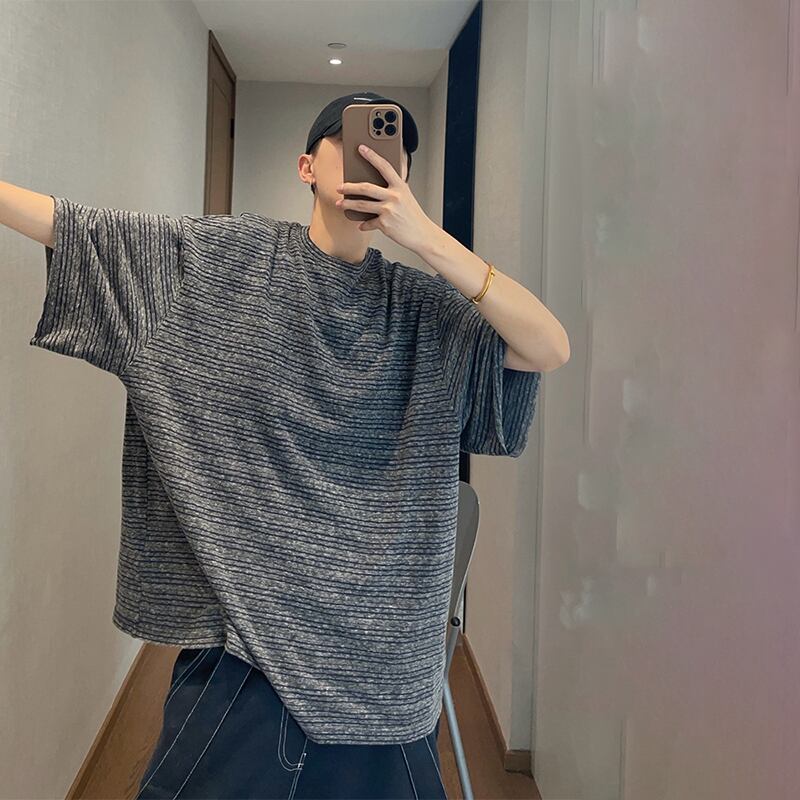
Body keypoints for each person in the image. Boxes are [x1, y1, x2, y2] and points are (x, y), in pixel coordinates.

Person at [8, 90, 563, 799]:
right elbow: (80, 230)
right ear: (307, 166)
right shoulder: (226, 264)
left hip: (387, 671)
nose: (374, 160)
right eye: (353, 143)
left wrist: (426, 238)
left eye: (391, 153)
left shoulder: (426, 311)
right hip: (246, 653)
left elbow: (547, 346)